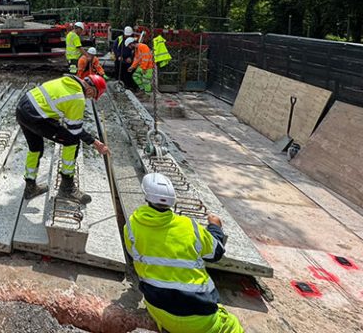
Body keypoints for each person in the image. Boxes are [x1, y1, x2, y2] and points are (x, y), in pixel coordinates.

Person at [124, 173, 244, 333]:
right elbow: (216, 252)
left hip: (158, 308)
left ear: (146, 196)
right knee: (233, 326)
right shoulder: (189, 226)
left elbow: (135, 255)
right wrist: (215, 227)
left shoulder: (131, 227)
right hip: (201, 316)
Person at [16, 74, 111, 204]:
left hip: (22, 109)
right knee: (72, 141)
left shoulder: (66, 80)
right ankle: (67, 188)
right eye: (91, 96)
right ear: (89, 90)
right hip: (36, 117)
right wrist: (95, 143)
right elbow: (75, 129)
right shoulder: (78, 98)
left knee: (35, 148)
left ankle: (30, 187)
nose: (89, 98)